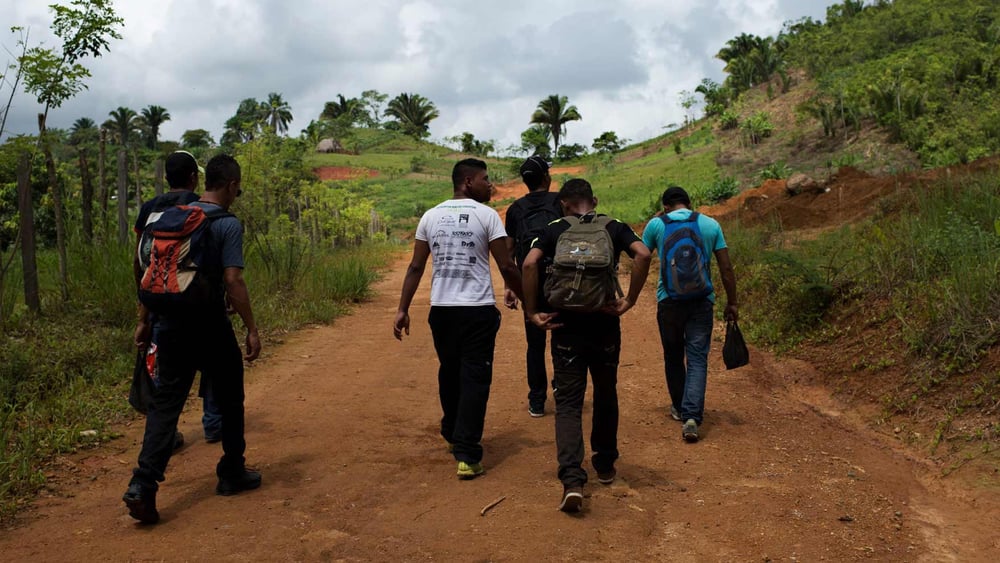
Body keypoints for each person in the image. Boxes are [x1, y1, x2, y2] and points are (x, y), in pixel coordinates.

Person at [123, 153, 262, 524]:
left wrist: (144, 320)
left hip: (168, 323)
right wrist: (251, 328)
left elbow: (149, 271)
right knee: (230, 396)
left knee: (165, 404)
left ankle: (142, 485)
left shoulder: (169, 218)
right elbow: (233, 279)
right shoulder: (226, 223)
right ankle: (232, 471)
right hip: (209, 324)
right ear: (231, 185)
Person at [522, 178, 650, 513]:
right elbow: (643, 253)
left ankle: (572, 480)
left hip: (565, 326)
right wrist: (630, 300)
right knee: (605, 392)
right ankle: (605, 465)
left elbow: (529, 264)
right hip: (605, 323)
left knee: (568, 403)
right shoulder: (614, 226)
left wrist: (533, 311)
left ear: (563, 204)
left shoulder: (554, 228)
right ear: (594, 201)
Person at [393, 158, 524, 480]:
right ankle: (467, 454)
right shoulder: (487, 216)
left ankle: (452, 431)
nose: (490, 185)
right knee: (475, 378)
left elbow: (415, 266)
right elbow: (507, 266)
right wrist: (530, 301)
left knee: (450, 371)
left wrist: (402, 308)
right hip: (477, 309)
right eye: (485, 179)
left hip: (442, 310)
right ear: (468, 181)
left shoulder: (430, 216)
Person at [132, 150, 222, 445]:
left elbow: (140, 261)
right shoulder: (200, 206)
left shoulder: (149, 209)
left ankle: (165, 435)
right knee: (214, 360)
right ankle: (214, 423)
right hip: (196, 300)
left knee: (163, 369)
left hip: (158, 298)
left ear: (167, 177)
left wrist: (143, 310)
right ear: (194, 178)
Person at [641, 186, 738, 443]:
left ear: (665, 207)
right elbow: (726, 268)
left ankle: (678, 406)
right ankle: (692, 416)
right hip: (701, 302)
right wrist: (732, 302)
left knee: (673, 356)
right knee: (697, 359)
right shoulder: (710, 224)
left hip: (669, 302)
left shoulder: (656, 225)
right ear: (690, 203)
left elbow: (640, 256)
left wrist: (631, 296)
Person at [503, 155, 563, 417]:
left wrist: (510, 285)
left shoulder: (515, 209)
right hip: (560, 282)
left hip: (530, 283)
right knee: (563, 338)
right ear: (546, 178)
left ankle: (537, 400)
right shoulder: (560, 202)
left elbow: (509, 251)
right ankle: (562, 388)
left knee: (535, 345)